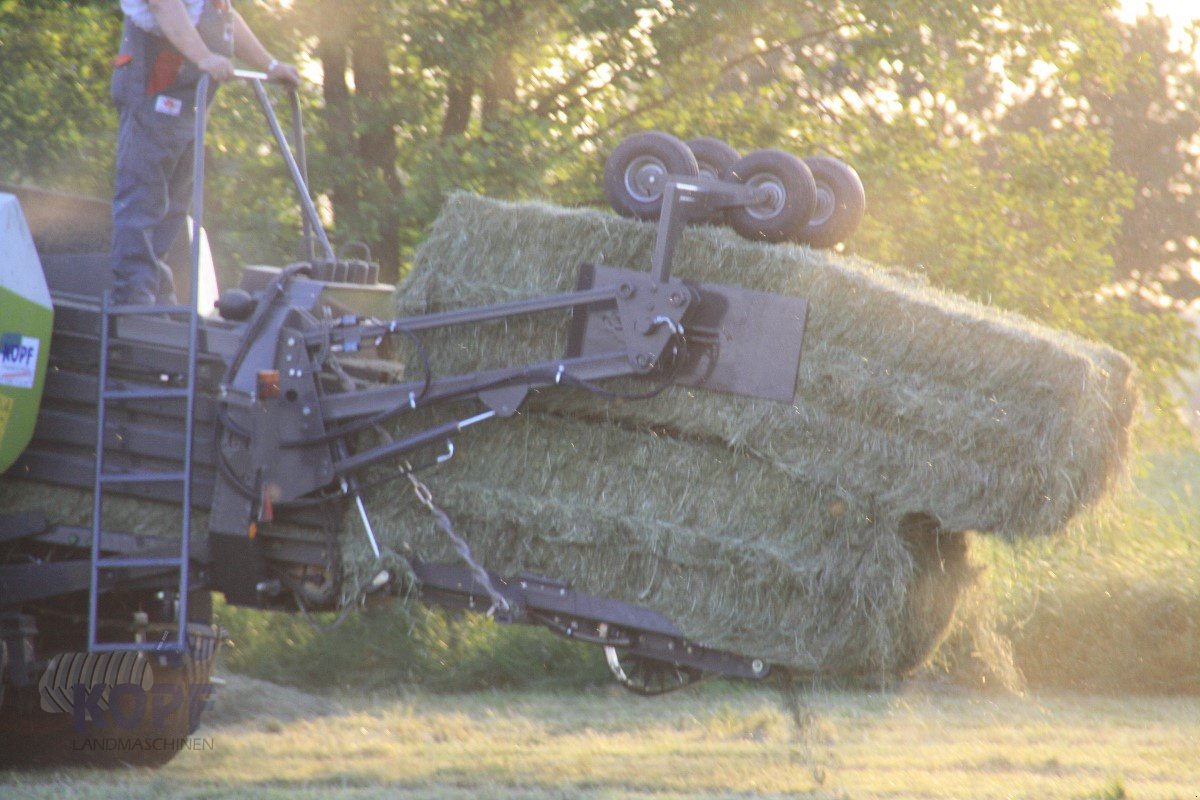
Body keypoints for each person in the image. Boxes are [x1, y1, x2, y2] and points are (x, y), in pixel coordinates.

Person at [109, 0, 301, 306]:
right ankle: (133, 302)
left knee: (173, 207)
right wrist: (204, 58)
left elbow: (225, 17)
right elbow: (163, 5)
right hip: (151, 89)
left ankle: (156, 297)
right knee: (142, 200)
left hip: (186, 102)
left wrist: (271, 66)